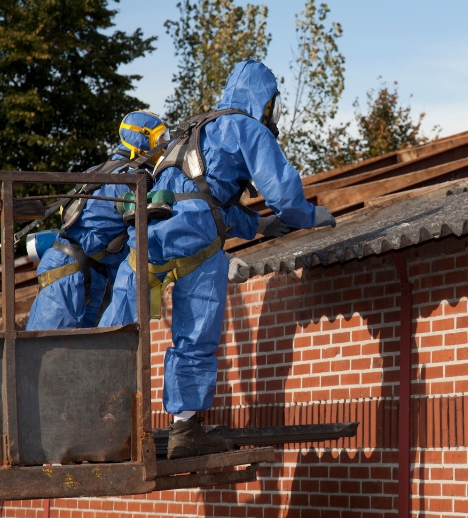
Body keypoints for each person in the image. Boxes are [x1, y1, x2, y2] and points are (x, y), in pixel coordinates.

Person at [99, 60, 336, 459]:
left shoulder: (195, 130)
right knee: (194, 332)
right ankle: (186, 430)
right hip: (196, 240)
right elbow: (283, 194)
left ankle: (93, 419)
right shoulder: (248, 127)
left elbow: (201, 196)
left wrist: (258, 226)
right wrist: (308, 216)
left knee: (117, 332)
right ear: (265, 100)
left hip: (147, 236)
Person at [26, 111, 167, 331]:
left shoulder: (99, 171)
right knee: (46, 353)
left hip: (86, 273)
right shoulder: (133, 180)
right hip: (69, 271)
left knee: (80, 356)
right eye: (160, 138)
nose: (163, 145)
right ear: (143, 137)